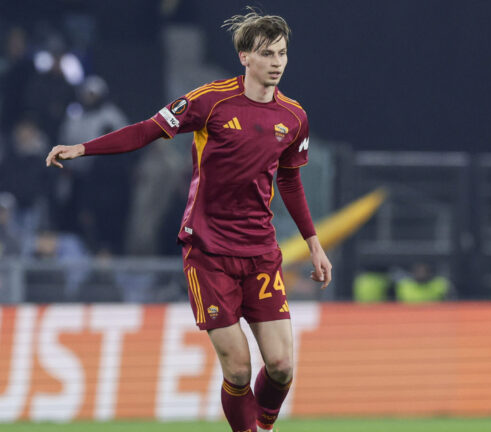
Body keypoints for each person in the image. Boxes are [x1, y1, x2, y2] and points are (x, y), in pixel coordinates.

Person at [45, 9, 331, 432]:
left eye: (283, 53)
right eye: (267, 53)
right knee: (237, 369)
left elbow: (290, 181)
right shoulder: (209, 100)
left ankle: (263, 427)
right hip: (209, 252)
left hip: (261, 254)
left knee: (282, 366)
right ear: (244, 57)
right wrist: (83, 148)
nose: (277, 62)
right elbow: (146, 130)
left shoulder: (293, 118)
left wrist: (314, 242)